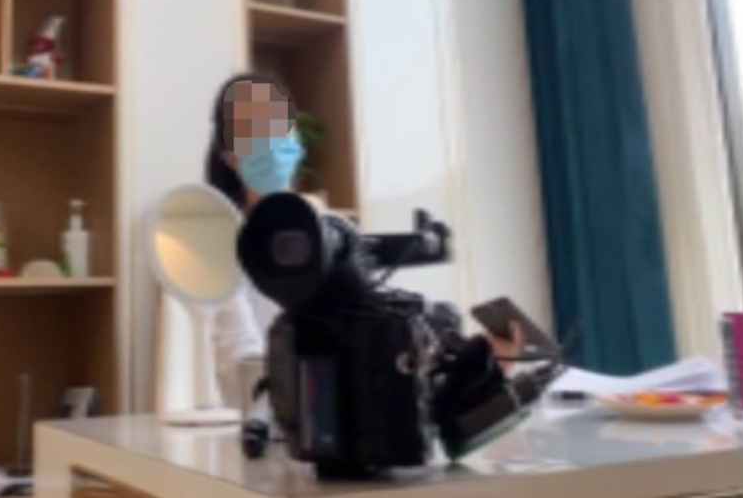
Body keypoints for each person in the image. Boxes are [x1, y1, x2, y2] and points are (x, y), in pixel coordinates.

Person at [204, 73, 524, 409]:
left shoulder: (337, 232)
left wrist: (481, 366)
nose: (273, 140)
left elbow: (375, 330)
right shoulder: (223, 248)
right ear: (231, 156)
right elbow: (241, 368)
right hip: (287, 417)